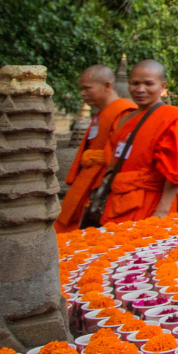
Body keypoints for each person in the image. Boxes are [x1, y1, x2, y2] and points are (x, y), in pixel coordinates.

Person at [99, 60, 178, 223]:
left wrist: (162, 211)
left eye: (148, 84)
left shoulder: (171, 118)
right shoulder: (123, 119)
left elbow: (176, 171)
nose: (140, 89)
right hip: (117, 200)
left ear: (162, 86)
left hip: (152, 203)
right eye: (135, 83)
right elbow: (113, 160)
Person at [57, 66, 137, 232]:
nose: (82, 93)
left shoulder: (125, 111)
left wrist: (98, 157)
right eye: (81, 88)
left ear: (107, 86)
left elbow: (124, 153)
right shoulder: (102, 113)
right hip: (88, 179)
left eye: (87, 88)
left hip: (104, 184)